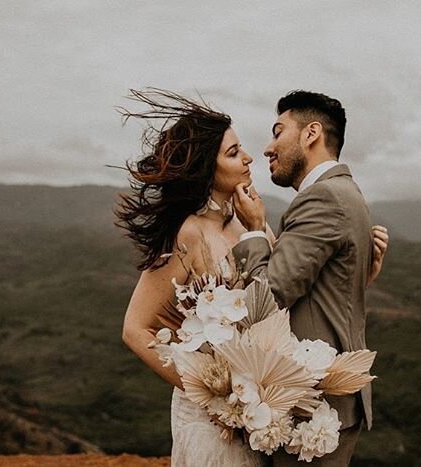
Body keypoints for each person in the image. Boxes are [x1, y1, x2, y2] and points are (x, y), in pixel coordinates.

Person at [118, 89, 388, 466]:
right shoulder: (188, 234)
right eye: (233, 153)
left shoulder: (249, 227)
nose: (249, 157)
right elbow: (135, 329)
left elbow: (280, 299)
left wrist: (359, 275)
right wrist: (209, 391)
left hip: (260, 416)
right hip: (218, 418)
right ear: (206, 170)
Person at [232, 90, 380, 466]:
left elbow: (267, 300)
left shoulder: (323, 198)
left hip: (316, 408)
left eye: (278, 131)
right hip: (332, 405)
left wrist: (252, 231)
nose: (267, 148)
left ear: (311, 133)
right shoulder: (348, 193)